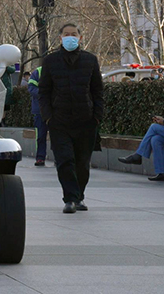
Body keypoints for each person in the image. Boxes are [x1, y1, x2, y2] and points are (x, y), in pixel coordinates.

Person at [38, 23, 103, 214]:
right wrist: (48, 117)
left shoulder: (90, 60)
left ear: (80, 38)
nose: (70, 37)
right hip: (59, 120)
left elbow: (97, 90)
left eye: (74, 34)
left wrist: (97, 116)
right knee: (65, 160)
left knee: (82, 162)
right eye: (66, 34)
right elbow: (43, 91)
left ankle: (79, 196)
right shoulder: (50, 61)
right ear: (60, 38)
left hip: (86, 120)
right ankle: (70, 199)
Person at [117, 73, 164, 181]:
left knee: (154, 127)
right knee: (156, 139)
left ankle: (138, 155)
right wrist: (163, 119)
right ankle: (163, 172)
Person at [27, 66, 47, 167]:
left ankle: (59, 158)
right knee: (40, 136)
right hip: (40, 110)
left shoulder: (59, 69)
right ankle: (40, 157)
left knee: (59, 136)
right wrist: (45, 94)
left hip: (56, 110)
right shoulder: (38, 72)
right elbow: (31, 88)